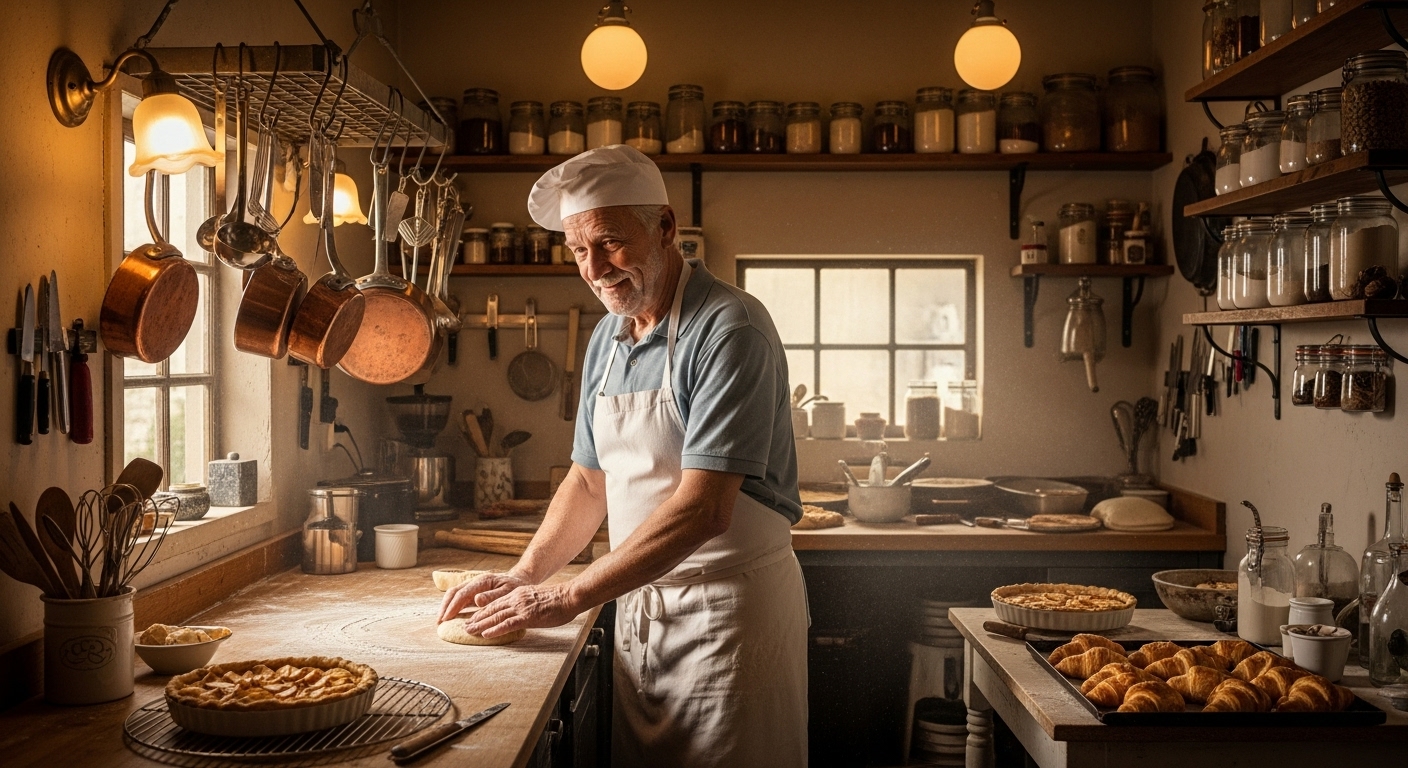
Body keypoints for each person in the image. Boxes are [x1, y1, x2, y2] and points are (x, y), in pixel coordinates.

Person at [438, 145, 808, 766]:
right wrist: (526, 576)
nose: (595, 268)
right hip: (641, 610)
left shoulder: (730, 330)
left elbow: (703, 510)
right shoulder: (609, 338)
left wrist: (565, 597)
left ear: (665, 228)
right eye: (579, 251)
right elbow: (588, 482)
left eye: (610, 242)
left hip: (727, 620)